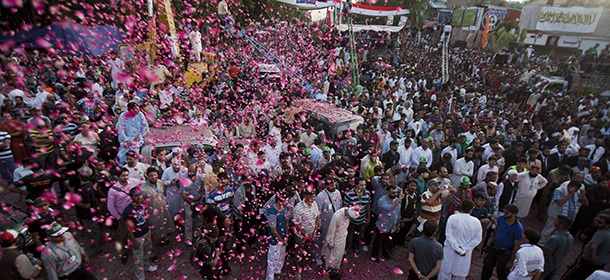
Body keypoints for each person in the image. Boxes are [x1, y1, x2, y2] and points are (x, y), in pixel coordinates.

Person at [439, 199, 482, 280]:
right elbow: (478, 239)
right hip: (463, 253)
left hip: (452, 250)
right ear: (471, 209)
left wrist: (458, 248)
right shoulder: (476, 222)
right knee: (459, 275)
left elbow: (448, 235)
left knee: (445, 274)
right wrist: (463, 249)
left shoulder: (453, 218)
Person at [123, 187, 158, 280]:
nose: (139, 197)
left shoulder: (142, 205)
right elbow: (128, 228)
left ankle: (147, 266)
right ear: (131, 197)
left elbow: (147, 216)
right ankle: (140, 277)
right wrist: (133, 240)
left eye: (140, 195)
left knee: (147, 252)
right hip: (138, 236)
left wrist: (151, 229)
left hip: (146, 232)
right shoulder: (127, 211)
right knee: (138, 257)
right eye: (136, 195)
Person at [561, 213, 610, 280]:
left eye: (599, 222)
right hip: (600, 263)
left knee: (570, 276)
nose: (596, 223)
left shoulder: (600, 234)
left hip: (587, 262)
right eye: (595, 220)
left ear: (607, 225)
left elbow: (593, 246)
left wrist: (593, 257)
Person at [482, 204, 524, 280]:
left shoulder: (518, 228)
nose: (504, 214)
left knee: (501, 272)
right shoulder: (501, 219)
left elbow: (517, 246)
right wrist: (492, 242)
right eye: (504, 212)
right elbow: (496, 230)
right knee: (487, 266)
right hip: (494, 247)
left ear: (514, 214)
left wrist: (511, 261)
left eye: (507, 213)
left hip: (506, 252)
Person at [539, 180, 587, 246]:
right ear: (569, 186)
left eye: (577, 189)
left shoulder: (577, 193)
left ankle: (551, 245)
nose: (575, 190)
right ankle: (541, 244)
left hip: (568, 217)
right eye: (575, 188)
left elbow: (586, 204)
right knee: (549, 230)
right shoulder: (559, 190)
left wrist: (583, 195)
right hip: (557, 215)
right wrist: (570, 194)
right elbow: (560, 203)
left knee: (559, 233)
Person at [107, 168, 140, 263]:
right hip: (123, 215)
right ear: (118, 177)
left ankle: (137, 247)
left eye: (126, 175)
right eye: (123, 176)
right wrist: (118, 217)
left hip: (133, 211)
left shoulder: (132, 181)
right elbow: (110, 206)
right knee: (124, 235)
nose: (125, 178)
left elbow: (142, 182)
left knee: (136, 230)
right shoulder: (113, 190)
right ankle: (124, 252)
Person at [140, 167, 173, 245]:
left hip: (163, 209)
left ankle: (164, 240)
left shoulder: (160, 182)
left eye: (155, 175)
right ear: (146, 176)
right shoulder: (143, 189)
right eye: (151, 175)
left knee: (164, 225)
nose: (153, 177)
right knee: (155, 230)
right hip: (152, 213)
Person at [372, 184, 403, 264]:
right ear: (387, 192)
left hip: (392, 226)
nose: (395, 194)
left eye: (396, 192)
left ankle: (385, 253)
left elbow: (398, 213)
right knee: (378, 242)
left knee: (387, 242)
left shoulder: (396, 200)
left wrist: (398, 224)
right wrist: (398, 200)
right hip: (383, 226)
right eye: (393, 193)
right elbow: (390, 208)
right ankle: (375, 255)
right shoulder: (382, 200)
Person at [292, 190, 319, 276]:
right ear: (305, 196)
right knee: (299, 252)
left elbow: (317, 218)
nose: (313, 199)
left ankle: (306, 265)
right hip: (301, 236)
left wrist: (315, 232)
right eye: (311, 197)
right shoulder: (298, 208)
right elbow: (297, 225)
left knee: (308, 251)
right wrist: (306, 235)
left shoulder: (315, 203)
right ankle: (298, 270)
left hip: (311, 234)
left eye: (314, 196)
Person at [343, 177, 371, 254]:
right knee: (348, 237)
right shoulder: (349, 194)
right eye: (361, 185)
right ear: (356, 185)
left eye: (364, 185)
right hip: (350, 220)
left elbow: (368, 206)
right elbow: (345, 207)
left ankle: (355, 247)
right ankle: (345, 249)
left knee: (357, 236)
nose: (363, 187)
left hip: (361, 220)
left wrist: (368, 217)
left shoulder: (367, 193)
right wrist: (348, 217)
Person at [541, 215, 574, 280]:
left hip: (547, 265)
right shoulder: (570, 238)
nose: (554, 221)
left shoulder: (555, 238)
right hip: (557, 263)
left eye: (556, 220)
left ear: (561, 225)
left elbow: (547, 253)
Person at [116, 102, 149, 166]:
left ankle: (135, 164)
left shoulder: (140, 114)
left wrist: (139, 136)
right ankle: (121, 165)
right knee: (123, 150)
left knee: (135, 149)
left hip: (137, 138)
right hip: (125, 137)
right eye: (135, 109)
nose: (137, 110)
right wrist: (125, 140)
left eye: (137, 109)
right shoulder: (123, 116)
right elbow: (121, 129)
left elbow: (145, 127)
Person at [266, 193, 288, 280]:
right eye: (285, 200)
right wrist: (281, 240)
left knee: (281, 257)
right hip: (275, 241)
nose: (287, 202)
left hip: (283, 238)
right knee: (272, 260)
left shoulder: (284, 209)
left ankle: (278, 271)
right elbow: (273, 230)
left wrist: (286, 236)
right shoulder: (272, 212)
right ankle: (270, 277)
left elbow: (286, 223)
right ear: (279, 201)